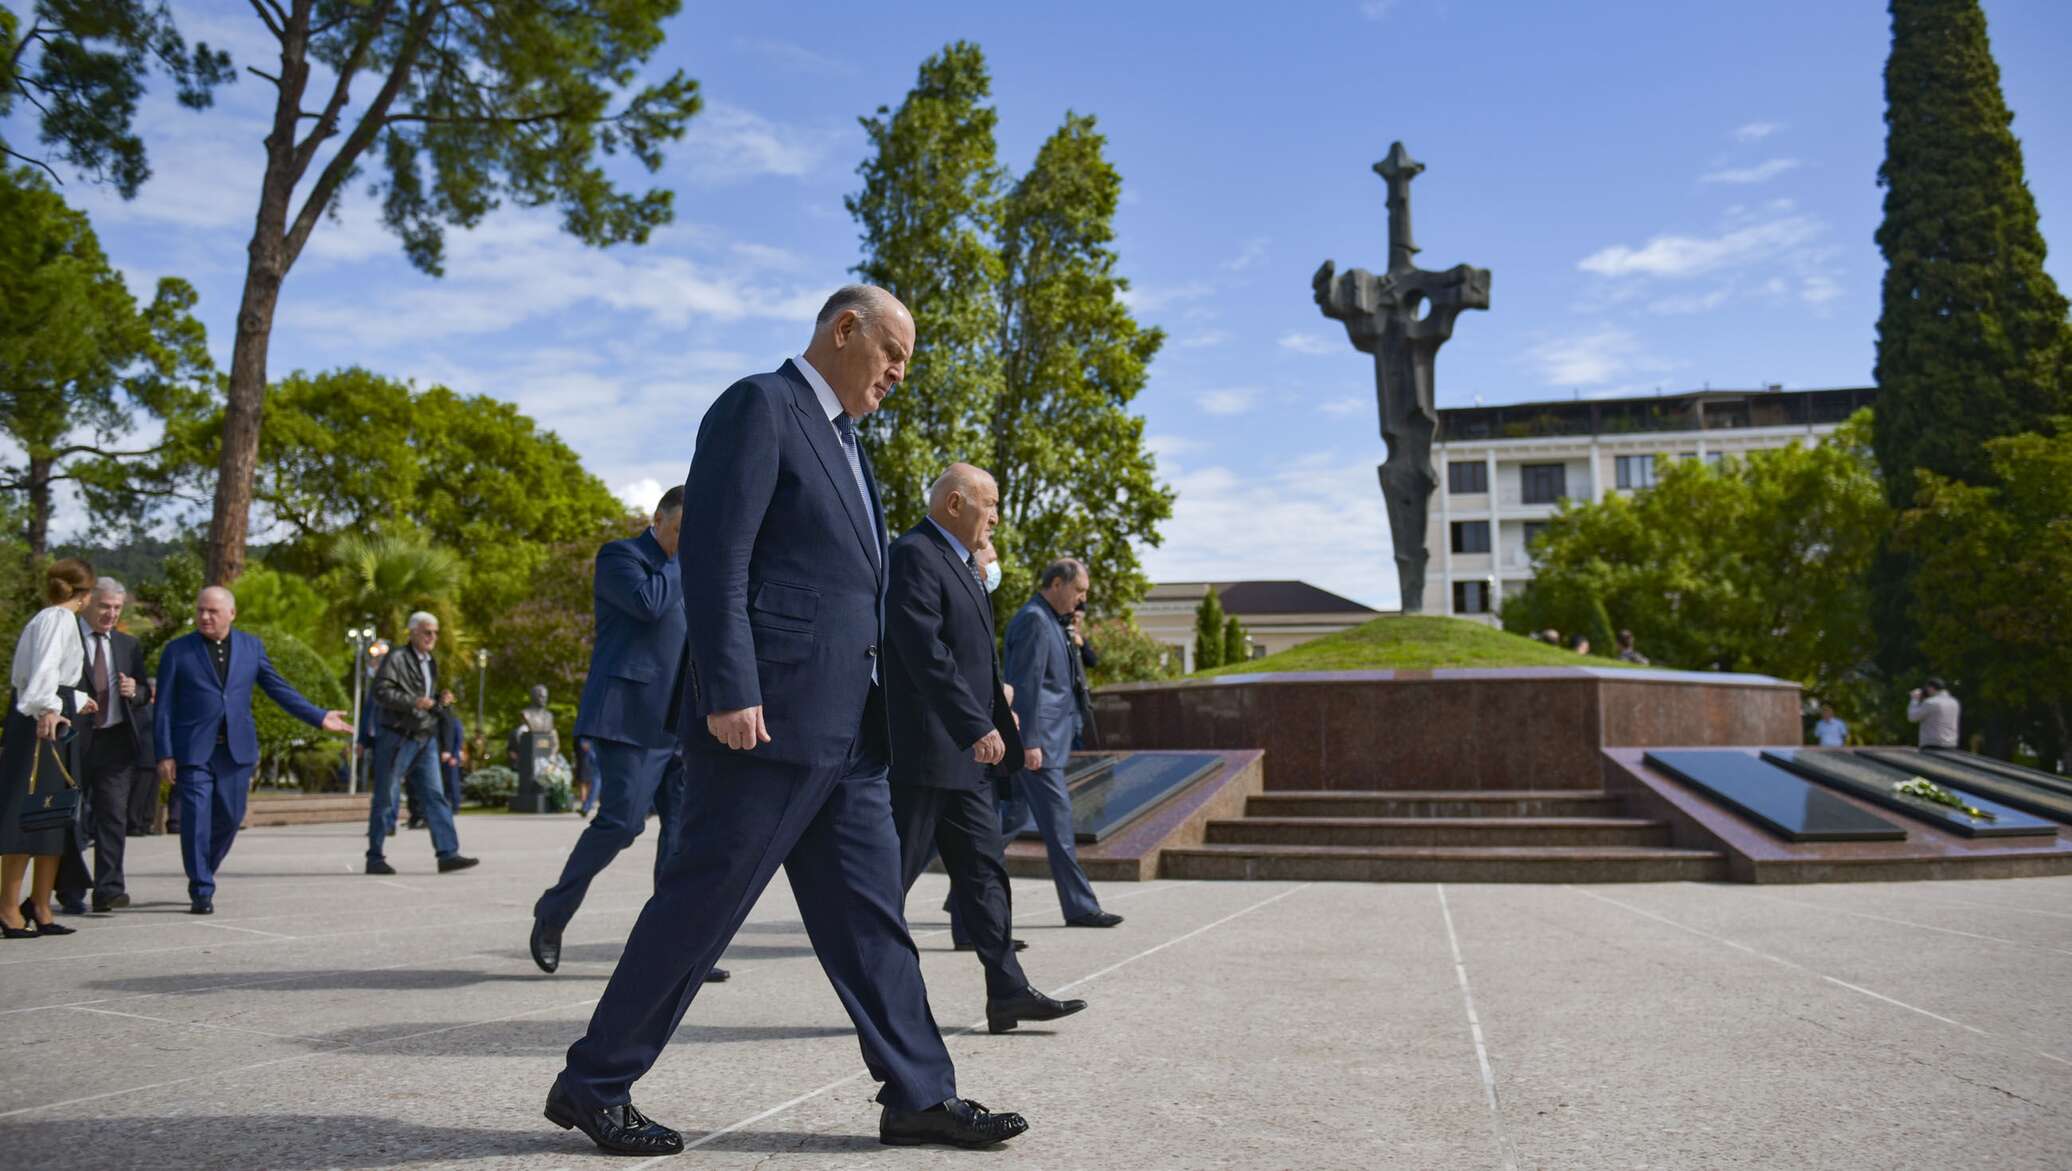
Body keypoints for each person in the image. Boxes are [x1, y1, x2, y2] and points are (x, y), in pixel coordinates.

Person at [545, 286, 1027, 1155]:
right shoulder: (758, 407)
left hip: (848, 736)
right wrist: (730, 687)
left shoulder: (851, 448)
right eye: (893, 353)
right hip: (764, 723)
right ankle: (594, 1082)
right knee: (700, 907)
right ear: (845, 330)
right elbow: (717, 555)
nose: (899, 374)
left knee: (873, 921)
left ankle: (919, 1093)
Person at [885, 464, 1086, 1034]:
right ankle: (881, 1004)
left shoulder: (964, 564)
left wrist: (999, 723)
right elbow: (925, 653)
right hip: (927, 754)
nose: (996, 515)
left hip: (968, 759)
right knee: (888, 885)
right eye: (990, 503)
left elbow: (979, 660)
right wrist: (975, 723)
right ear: (955, 504)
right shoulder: (915, 555)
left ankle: (1008, 991)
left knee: (984, 874)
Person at [530, 487, 726, 985]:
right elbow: (648, 604)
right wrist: (690, 554)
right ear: (658, 519)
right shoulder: (621, 556)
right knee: (622, 823)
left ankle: (678, 950)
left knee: (683, 839)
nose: (687, 539)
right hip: (630, 716)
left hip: (685, 723)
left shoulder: (692, 572)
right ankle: (553, 911)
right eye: (682, 529)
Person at [155, 586, 352, 914]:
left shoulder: (251, 647)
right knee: (195, 821)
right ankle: (201, 887)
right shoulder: (177, 651)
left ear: (231, 614)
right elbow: (162, 707)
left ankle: (204, 867)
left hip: (236, 751)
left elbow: (279, 689)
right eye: (200, 610)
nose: (204, 616)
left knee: (231, 818)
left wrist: (318, 716)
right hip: (192, 752)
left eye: (212, 611)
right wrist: (164, 754)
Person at [1003, 558, 1121, 929]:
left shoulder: (1054, 622)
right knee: (1059, 826)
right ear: (1056, 583)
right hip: (1039, 748)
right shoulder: (1035, 620)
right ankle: (1081, 906)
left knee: (1007, 823)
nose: (1082, 599)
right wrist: (1030, 741)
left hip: (1050, 742)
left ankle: (965, 903)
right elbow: (1025, 685)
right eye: (1079, 590)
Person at [1, 558, 98, 938]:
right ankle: (8, 907)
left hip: (53, 716)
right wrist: (51, 709)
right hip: (42, 723)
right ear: (86, 594)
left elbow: (50, 679)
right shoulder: (56, 620)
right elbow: (41, 677)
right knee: (28, 815)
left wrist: (75, 700)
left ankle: (39, 905)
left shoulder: (54, 620)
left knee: (54, 817)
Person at [365, 612, 477, 875]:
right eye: (427, 632)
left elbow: (424, 696)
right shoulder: (397, 658)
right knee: (386, 795)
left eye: (435, 632)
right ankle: (375, 856)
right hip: (397, 735)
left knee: (435, 795)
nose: (432, 637)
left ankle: (448, 854)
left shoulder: (429, 662)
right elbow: (381, 691)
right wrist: (414, 701)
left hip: (424, 735)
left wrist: (439, 699)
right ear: (412, 632)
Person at [75, 578, 156, 913]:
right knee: (70, 819)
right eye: (105, 606)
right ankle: (69, 888)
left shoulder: (127, 645)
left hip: (115, 741)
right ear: (89, 603)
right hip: (73, 741)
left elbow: (143, 694)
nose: (110, 613)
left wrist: (134, 691)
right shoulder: (66, 637)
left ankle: (109, 889)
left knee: (113, 817)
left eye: (117, 608)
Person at [1907, 678, 1960, 749]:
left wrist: (1914, 699)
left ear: (1931, 688)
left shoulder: (1930, 702)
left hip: (1932, 744)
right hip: (1951, 744)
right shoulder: (1954, 702)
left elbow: (1912, 717)